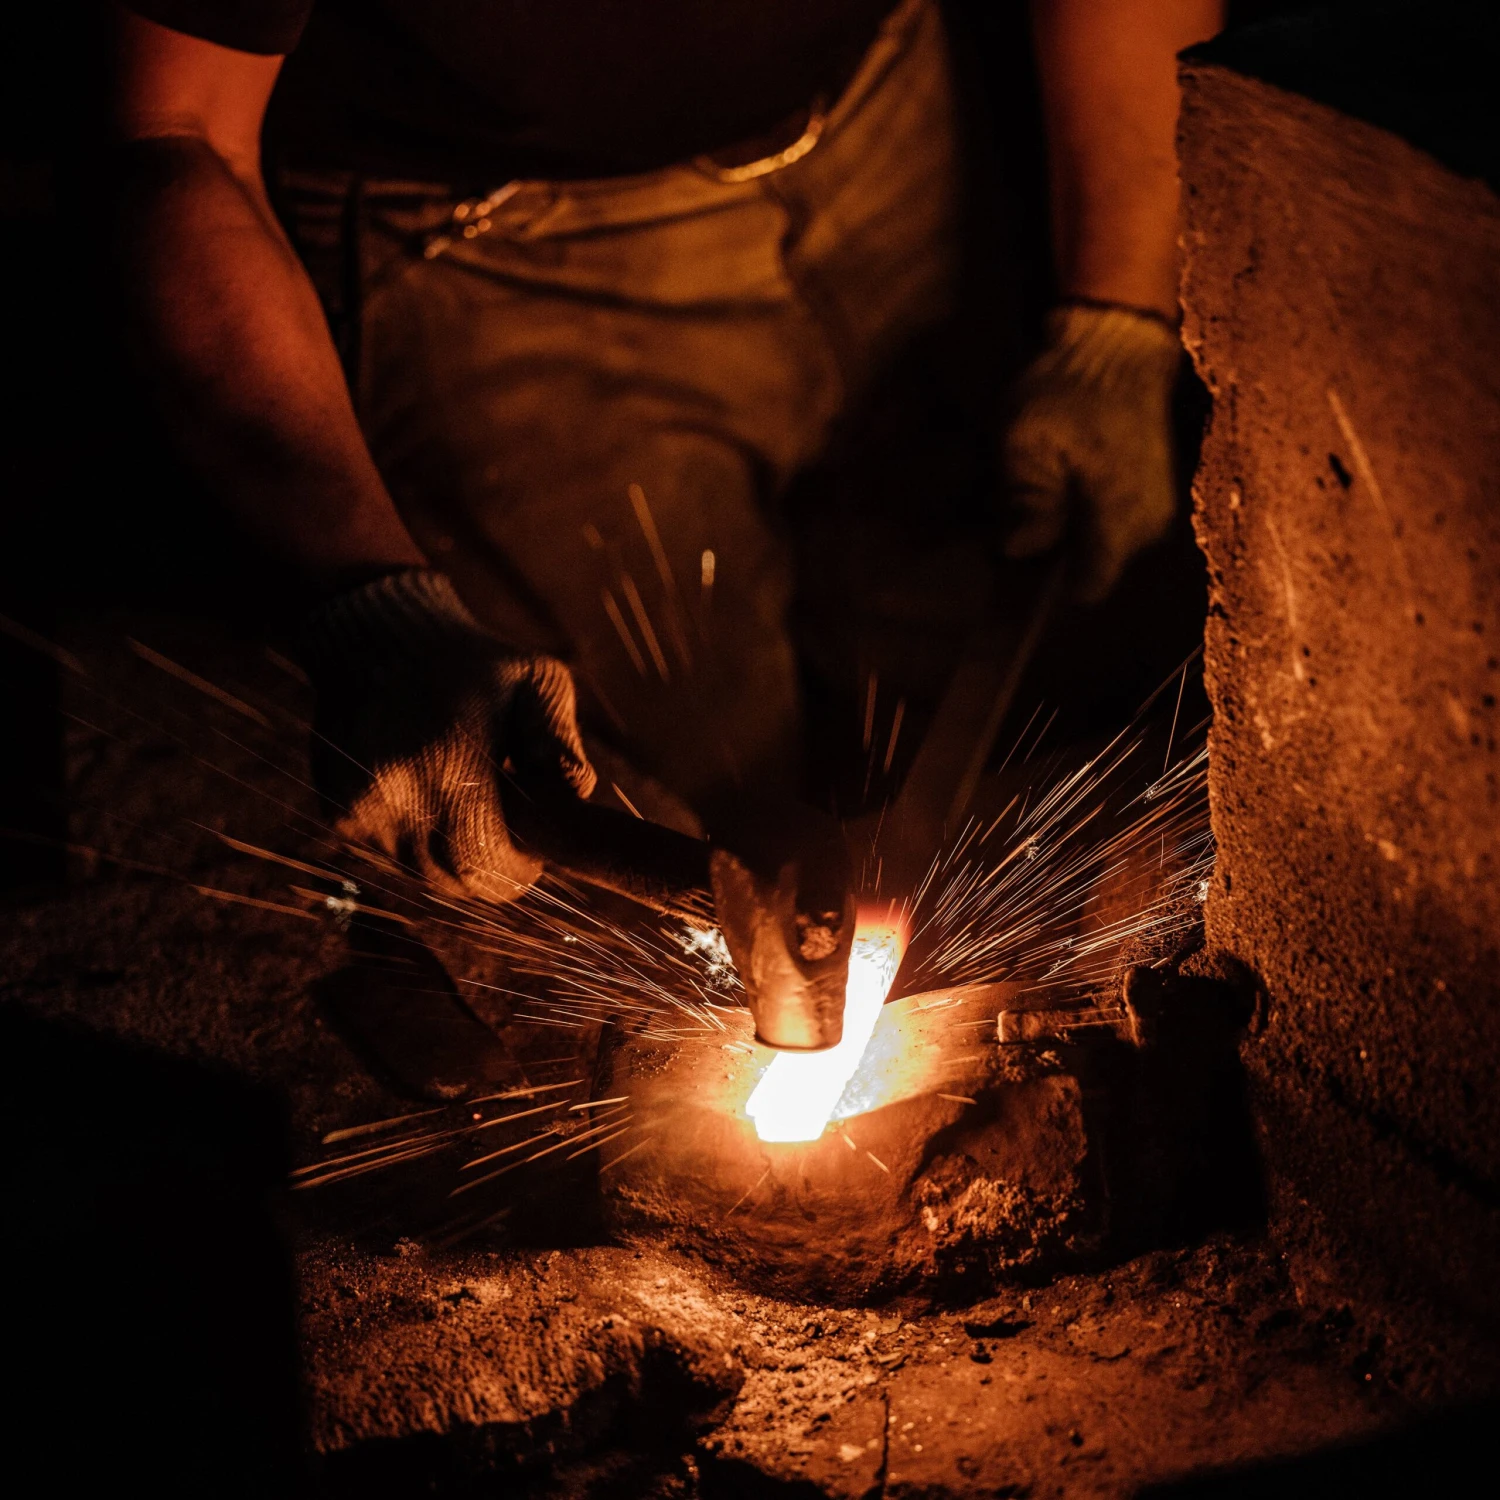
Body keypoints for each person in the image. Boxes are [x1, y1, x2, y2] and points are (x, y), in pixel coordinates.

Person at [106, 0, 1224, 903]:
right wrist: (370, 599)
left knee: (994, 708)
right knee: (674, 798)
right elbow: (177, 129)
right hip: (500, 245)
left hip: (889, 102)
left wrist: (1119, 316)